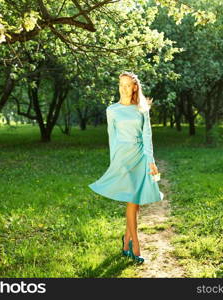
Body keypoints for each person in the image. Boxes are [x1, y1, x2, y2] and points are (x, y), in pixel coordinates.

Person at [88, 71, 164, 264]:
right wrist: (115, 162)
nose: (123, 88)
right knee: (132, 200)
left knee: (135, 202)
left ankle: (126, 242)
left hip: (140, 156)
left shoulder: (142, 108)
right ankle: (135, 245)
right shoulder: (111, 110)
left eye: (127, 85)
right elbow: (111, 137)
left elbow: (147, 135)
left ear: (135, 87)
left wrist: (151, 160)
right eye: (121, 84)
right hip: (122, 157)